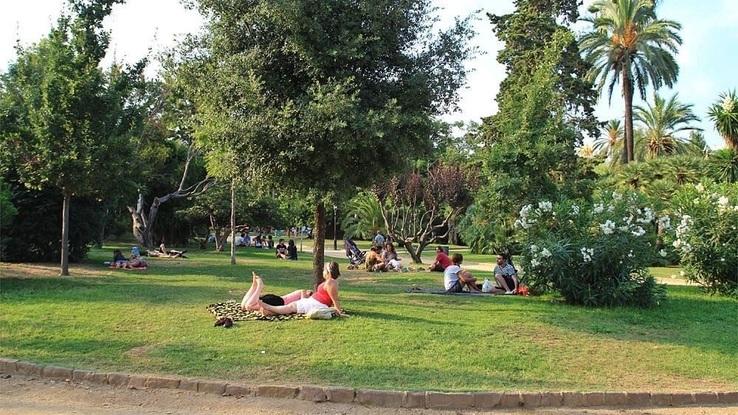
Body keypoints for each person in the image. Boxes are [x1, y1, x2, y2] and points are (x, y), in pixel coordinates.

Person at [259, 262, 344, 316]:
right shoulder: (330, 282)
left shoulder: (331, 282)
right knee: (291, 307)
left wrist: (338, 311)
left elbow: (334, 299)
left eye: (324, 270)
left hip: (316, 304)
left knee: (291, 307)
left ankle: (268, 307)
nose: (323, 272)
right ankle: (269, 311)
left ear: (328, 272)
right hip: (313, 301)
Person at [240, 272, 312, 310]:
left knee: (244, 306)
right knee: (249, 306)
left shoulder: (304, 296)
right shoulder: (303, 293)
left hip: (276, 301)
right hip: (278, 301)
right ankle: (259, 286)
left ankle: (254, 286)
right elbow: (303, 303)